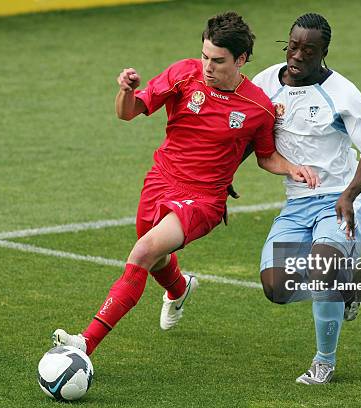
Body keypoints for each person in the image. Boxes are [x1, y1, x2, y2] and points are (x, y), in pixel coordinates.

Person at [51, 12, 318, 357]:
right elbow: (127, 112)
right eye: (205, 56)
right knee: (157, 256)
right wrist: (125, 91)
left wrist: (293, 168)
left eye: (218, 61)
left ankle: (84, 343)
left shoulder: (258, 108)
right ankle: (179, 289)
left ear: (240, 60)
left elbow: (266, 156)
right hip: (160, 180)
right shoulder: (183, 74)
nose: (207, 66)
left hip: (203, 200)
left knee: (144, 251)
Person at [252, 13, 361, 384]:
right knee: (276, 288)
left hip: (339, 199)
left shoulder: (342, 93)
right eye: (292, 47)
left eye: (307, 51)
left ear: (323, 52)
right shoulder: (266, 83)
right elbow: (250, 132)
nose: (296, 57)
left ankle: (324, 362)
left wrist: (350, 194)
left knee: (323, 266)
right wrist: (222, 175)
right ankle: (345, 288)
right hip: (296, 204)